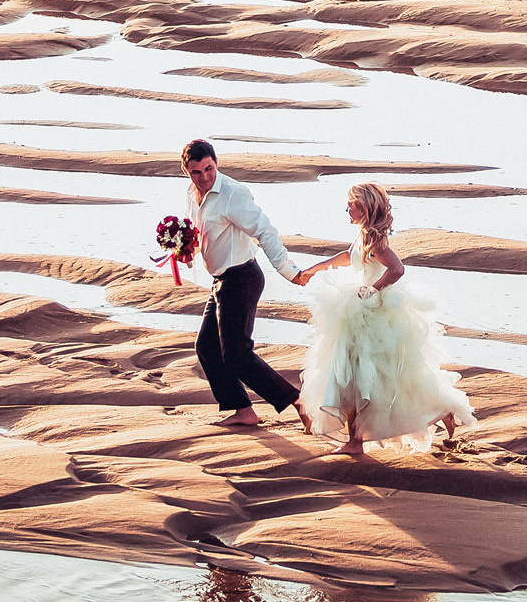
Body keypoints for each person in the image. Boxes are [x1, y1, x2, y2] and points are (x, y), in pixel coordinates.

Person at [294, 183, 474, 455]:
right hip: (356, 311)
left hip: (371, 315)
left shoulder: (376, 241)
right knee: (350, 376)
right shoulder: (363, 236)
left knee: (362, 378)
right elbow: (348, 257)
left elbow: (397, 269)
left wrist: (373, 289)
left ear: (364, 208)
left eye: (351, 205)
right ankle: (435, 412)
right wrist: (314, 269)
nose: (347, 210)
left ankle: (357, 442)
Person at [177, 138, 305, 430]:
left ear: (216, 163)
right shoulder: (191, 195)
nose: (204, 177)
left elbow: (265, 230)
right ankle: (244, 411)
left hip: (242, 278)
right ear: (187, 171)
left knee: (236, 355)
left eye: (209, 169)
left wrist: (289, 271)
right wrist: (185, 250)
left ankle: (298, 401)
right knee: (206, 347)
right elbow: (200, 234)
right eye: (196, 172)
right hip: (220, 281)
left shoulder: (233, 193)